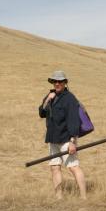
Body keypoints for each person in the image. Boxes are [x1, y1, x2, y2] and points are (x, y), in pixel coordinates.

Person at [39, 70, 87, 200]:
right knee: (55, 167)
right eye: (55, 81)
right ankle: (58, 198)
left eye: (60, 81)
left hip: (66, 138)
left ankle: (83, 197)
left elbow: (73, 120)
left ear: (65, 83)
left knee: (73, 167)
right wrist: (48, 100)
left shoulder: (70, 98)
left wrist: (72, 141)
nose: (57, 83)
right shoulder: (51, 96)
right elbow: (41, 113)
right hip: (53, 138)